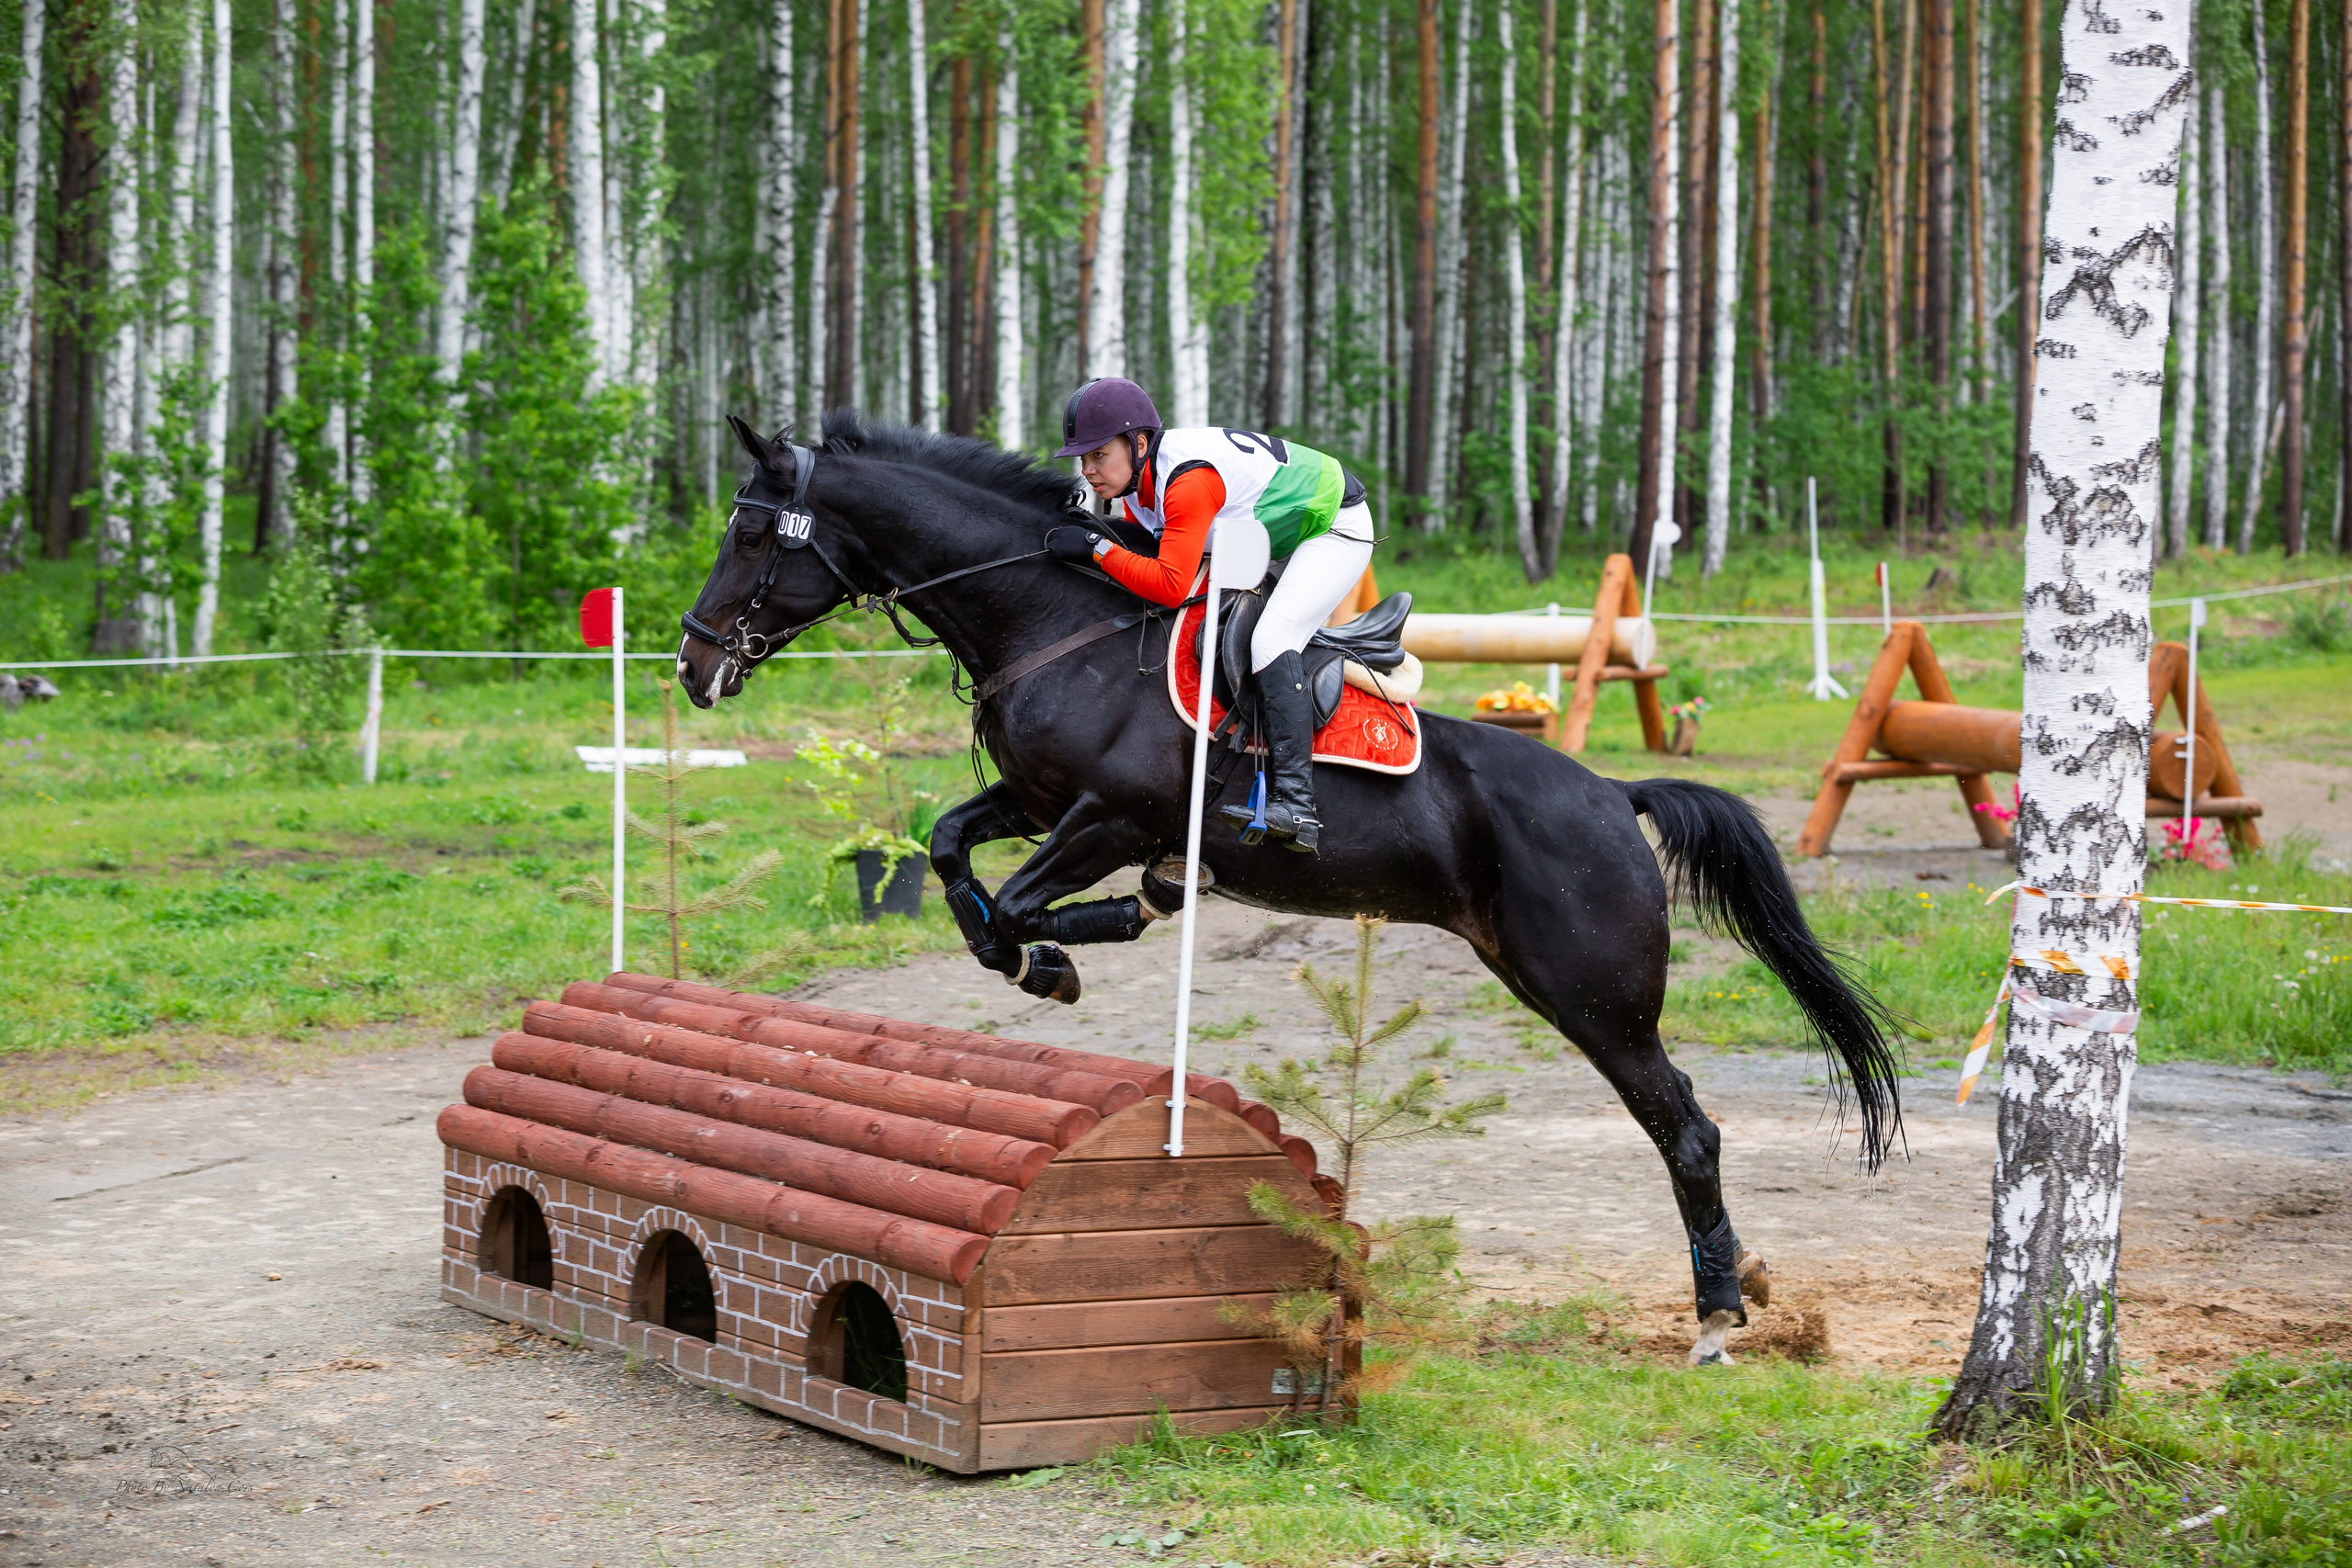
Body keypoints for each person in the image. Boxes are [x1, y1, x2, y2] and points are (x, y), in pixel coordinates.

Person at [1042, 378, 1376, 854]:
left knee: (1270, 639)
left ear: (1139, 443)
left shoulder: (1186, 481)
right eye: (1083, 459)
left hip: (1333, 527)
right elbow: (1144, 550)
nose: (1088, 470)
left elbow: (1170, 585)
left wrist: (1095, 549)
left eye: (1098, 455)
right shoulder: (1139, 481)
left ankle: (1297, 805)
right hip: (1275, 531)